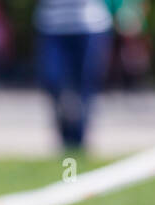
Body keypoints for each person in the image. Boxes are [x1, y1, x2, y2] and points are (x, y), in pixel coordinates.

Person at [34, 0, 114, 150]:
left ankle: (78, 140)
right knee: (52, 80)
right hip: (52, 24)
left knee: (85, 87)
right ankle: (66, 132)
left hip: (90, 24)